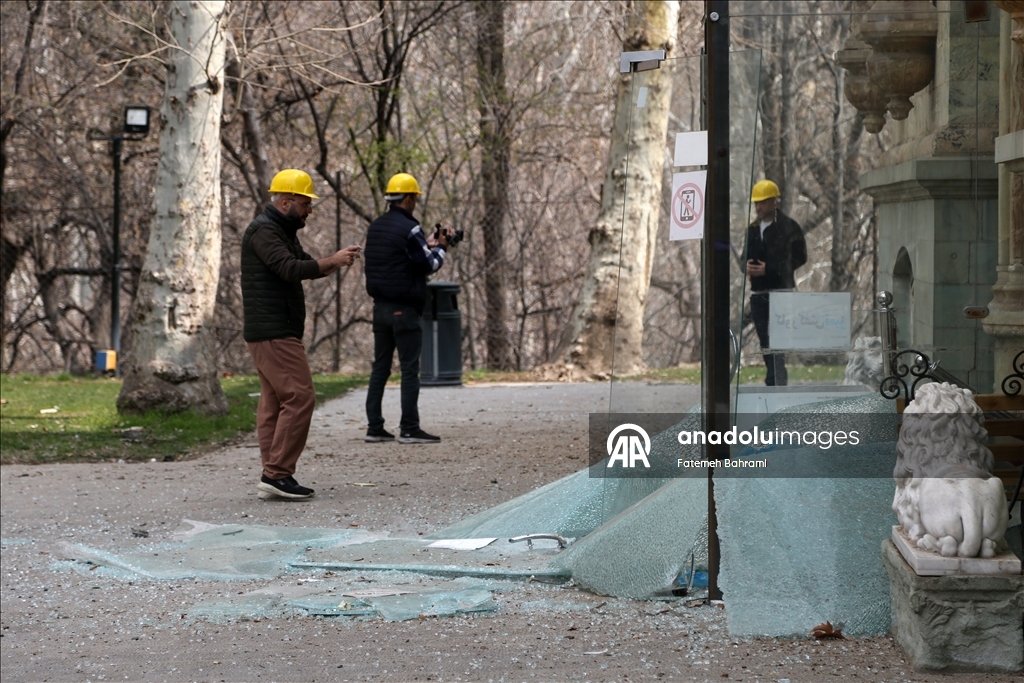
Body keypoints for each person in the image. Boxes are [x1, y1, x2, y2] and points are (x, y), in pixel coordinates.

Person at [241, 169, 362, 499]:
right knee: (299, 396)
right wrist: (331, 261)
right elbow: (290, 269)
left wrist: (336, 262)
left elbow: (307, 265)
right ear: (285, 202)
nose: (309, 210)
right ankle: (277, 473)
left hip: (271, 330)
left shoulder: (279, 231)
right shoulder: (264, 232)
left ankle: (272, 474)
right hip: (274, 331)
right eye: (305, 203)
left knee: (274, 402)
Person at [363, 172, 452, 444]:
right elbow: (428, 265)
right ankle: (410, 428)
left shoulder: (376, 227)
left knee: (380, 368)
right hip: (405, 308)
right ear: (410, 198)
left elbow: (398, 257)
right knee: (409, 368)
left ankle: (374, 427)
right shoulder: (410, 228)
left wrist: (427, 245)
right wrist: (442, 248)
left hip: (380, 307)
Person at [745, 179, 807, 387]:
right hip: (758, 292)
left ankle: (776, 381)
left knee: (778, 341)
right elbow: (744, 256)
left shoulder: (789, 227)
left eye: (763, 202)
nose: (758, 207)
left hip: (781, 292)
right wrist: (746, 267)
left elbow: (800, 257)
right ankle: (774, 379)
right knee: (765, 340)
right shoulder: (752, 229)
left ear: (775, 203)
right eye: (756, 203)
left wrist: (770, 269)